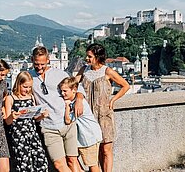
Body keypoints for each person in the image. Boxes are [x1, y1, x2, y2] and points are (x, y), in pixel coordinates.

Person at [76, 43, 130, 172]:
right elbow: (73, 83)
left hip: (104, 114)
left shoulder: (107, 71)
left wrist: (113, 99)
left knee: (106, 149)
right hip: (88, 116)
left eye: (89, 56)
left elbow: (125, 85)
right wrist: (78, 96)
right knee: (94, 149)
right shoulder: (84, 70)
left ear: (97, 56)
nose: (86, 58)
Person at [28, 46, 84, 172]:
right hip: (49, 127)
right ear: (32, 60)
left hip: (68, 123)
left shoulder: (60, 73)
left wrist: (79, 100)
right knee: (59, 164)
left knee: (72, 161)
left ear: (48, 60)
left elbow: (78, 87)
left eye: (42, 64)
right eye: (36, 64)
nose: (39, 67)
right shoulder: (29, 77)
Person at [4, 71, 49, 172]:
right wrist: (12, 116)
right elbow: (7, 121)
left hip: (33, 134)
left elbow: (34, 119)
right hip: (19, 136)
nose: (27, 90)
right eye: (25, 87)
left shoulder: (31, 97)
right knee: (24, 165)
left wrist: (42, 116)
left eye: (29, 87)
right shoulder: (10, 98)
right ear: (18, 84)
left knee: (41, 162)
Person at [59, 77, 102, 172]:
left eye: (65, 91)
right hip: (86, 137)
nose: (62, 94)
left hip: (88, 138)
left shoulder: (78, 104)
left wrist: (66, 106)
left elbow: (68, 120)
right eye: (61, 91)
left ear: (74, 90)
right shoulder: (75, 101)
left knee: (92, 165)